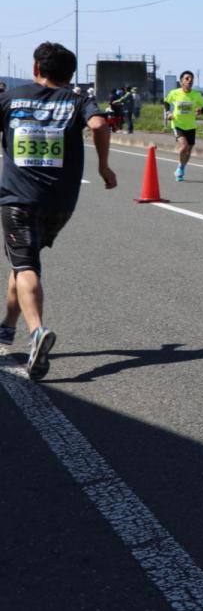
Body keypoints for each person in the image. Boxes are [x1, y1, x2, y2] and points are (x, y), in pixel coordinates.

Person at [0, 43, 117, 381]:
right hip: (61, 201)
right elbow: (98, 125)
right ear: (70, 74)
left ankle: (36, 332)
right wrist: (105, 168)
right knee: (25, 260)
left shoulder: (12, 98)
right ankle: (7, 326)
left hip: (18, 198)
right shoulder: (78, 100)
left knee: (25, 265)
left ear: (37, 68)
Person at [163, 70, 203, 180]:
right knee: (184, 147)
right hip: (177, 124)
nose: (190, 80)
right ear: (181, 81)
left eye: (191, 78)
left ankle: (181, 167)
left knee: (189, 150)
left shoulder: (196, 95)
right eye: (187, 78)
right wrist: (168, 113)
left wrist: (200, 111)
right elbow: (166, 102)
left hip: (191, 126)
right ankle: (180, 167)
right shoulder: (174, 93)